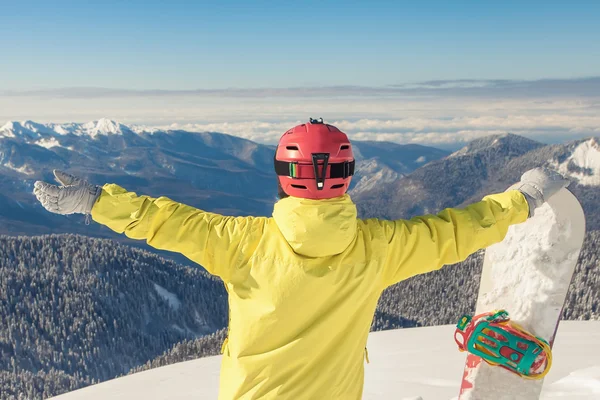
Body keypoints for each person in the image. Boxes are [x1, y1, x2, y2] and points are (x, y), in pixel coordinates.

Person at [33, 119, 569, 400]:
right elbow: (458, 230)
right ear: (348, 174)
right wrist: (520, 199)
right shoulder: (379, 246)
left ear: (282, 175)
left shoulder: (240, 240)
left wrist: (95, 201)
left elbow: (164, 220)